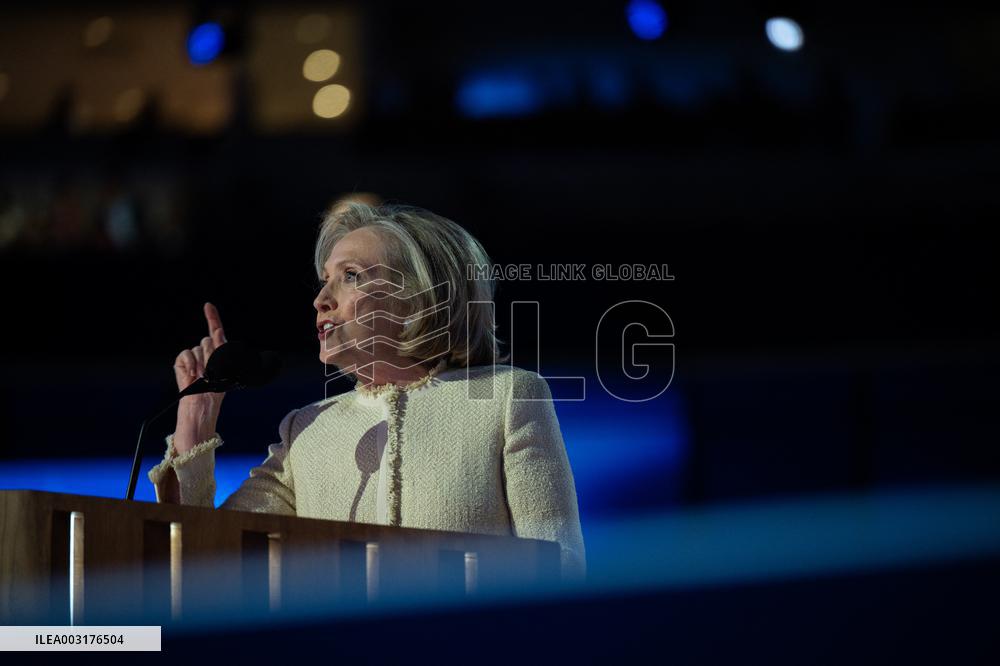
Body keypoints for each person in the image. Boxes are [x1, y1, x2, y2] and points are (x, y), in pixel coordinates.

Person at [147, 201, 585, 578]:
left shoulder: (506, 399)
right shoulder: (306, 429)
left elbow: (559, 565)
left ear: (420, 295)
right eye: (325, 279)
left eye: (351, 275)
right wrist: (195, 426)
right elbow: (206, 556)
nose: (321, 299)